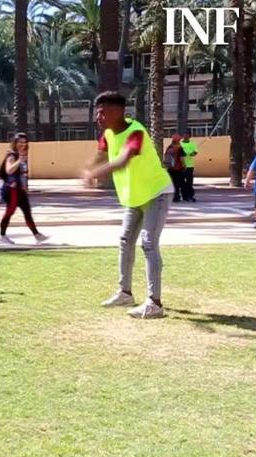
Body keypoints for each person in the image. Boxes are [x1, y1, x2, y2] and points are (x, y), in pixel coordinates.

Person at [83, 91, 173, 319]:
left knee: (149, 244)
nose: (98, 117)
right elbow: (101, 154)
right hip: (134, 198)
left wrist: (94, 173)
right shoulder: (108, 134)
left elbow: (122, 161)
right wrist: (88, 168)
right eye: (97, 112)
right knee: (125, 240)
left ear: (117, 112)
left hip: (156, 194)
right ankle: (125, 293)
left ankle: (155, 303)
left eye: (102, 113)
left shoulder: (136, 133)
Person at [0, 133, 48, 245]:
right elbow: (9, 170)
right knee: (9, 212)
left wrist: (25, 187)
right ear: (15, 143)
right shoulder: (12, 155)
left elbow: (22, 173)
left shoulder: (22, 155)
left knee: (27, 212)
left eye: (25, 142)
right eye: (20, 142)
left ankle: (37, 235)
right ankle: (2, 236)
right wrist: (19, 160)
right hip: (12, 190)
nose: (22, 145)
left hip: (20, 190)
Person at [163, 135, 186, 202]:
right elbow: (182, 158)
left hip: (170, 168)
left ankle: (172, 197)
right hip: (178, 168)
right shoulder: (179, 148)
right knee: (178, 184)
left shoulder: (169, 147)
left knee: (172, 183)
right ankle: (177, 197)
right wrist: (184, 165)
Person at [180, 133, 198, 202]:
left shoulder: (192, 144)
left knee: (189, 182)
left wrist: (192, 153)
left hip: (190, 166)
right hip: (181, 166)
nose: (185, 137)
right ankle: (184, 196)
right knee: (182, 182)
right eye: (184, 135)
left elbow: (195, 152)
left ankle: (190, 196)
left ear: (189, 137)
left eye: (187, 136)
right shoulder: (180, 144)